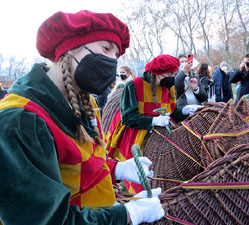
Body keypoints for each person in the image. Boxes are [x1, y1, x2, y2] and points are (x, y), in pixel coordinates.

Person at [0, 10, 165, 225]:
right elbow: (46, 220)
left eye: (116, 56)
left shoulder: (83, 101)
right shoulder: (20, 121)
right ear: (70, 48)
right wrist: (126, 215)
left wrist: (118, 168)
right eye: (105, 48)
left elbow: (75, 163)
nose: (111, 62)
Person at [106, 54, 202, 193]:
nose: (173, 77)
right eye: (169, 74)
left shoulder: (170, 87)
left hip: (165, 129)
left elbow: (173, 112)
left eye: (175, 73)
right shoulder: (134, 85)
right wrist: (152, 120)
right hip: (137, 130)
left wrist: (184, 111)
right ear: (156, 73)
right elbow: (127, 118)